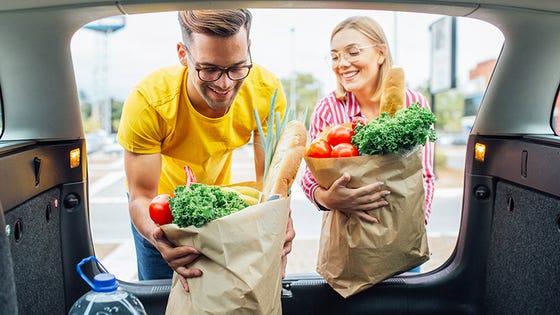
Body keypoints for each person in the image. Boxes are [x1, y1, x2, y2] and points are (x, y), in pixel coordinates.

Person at [117, 9, 294, 292]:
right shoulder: (148, 101)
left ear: (249, 48)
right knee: (162, 297)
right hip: (160, 213)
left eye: (237, 67)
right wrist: (158, 236)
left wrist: (281, 221)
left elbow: (272, 183)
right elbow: (141, 196)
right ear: (182, 54)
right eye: (209, 69)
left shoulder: (266, 92)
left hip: (216, 206)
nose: (225, 84)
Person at [300, 15, 435, 224]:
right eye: (335, 56)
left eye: (353, 52)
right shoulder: (328, 109)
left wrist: (416, 224)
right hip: (348, 232)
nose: (342, 64)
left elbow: (424, 176)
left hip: (403, 225)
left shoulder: (414, 103)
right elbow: (310, 178)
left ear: (381, 53)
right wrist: (328, 199)